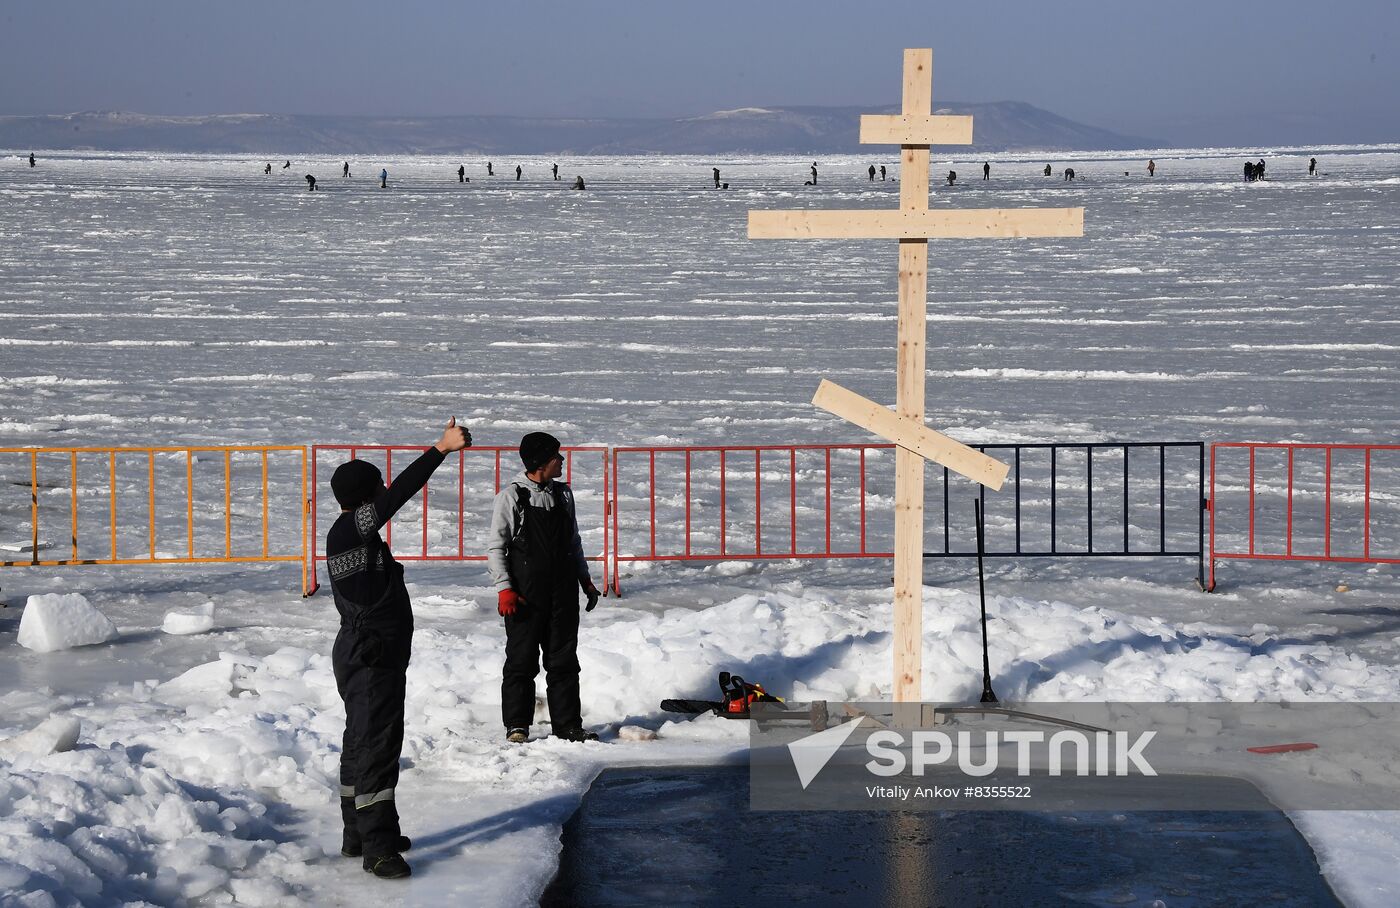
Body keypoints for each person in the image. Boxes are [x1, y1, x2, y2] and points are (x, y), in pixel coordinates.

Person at [327, 418, 472, 879]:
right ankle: (380, 849)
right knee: (376, 746)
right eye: (378, 488)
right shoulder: (352, 529)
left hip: (365, 651)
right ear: (367, 495)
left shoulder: (352, 533)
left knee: (360, 741)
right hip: (370, 656)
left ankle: (359, 834)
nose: (383, 491)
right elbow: (398, 494)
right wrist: (441, 449)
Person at [488, 432, 602, 745]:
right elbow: (496, 547)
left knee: (564, 661)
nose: (562, 461)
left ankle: (567, 726)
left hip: (562, 593)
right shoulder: (512, 496)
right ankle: (517, 725)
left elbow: (574, 542)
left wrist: (586, 580)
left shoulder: (564, 495)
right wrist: (504, 589)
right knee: (521, 662)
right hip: (525, 596)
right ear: (541, 462)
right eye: (556, 457)